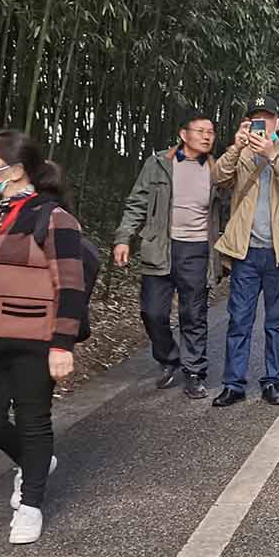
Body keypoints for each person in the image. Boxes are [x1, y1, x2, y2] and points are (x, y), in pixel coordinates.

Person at [0, 130, 88, 545]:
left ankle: (31, 504)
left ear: (14, 171)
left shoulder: (53, 218)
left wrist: (62, 345)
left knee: (34, 420)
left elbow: (70, 285)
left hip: (36, 337)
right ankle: (34, 462)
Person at [112, 110, 224, 401]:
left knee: (193, 314)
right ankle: (169, 358)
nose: (206, 136)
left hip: (198, 248)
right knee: (153, 311)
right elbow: (137, 202)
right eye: (199, 131)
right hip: (159, 246)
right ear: (183, 134)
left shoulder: (217, 168)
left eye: (210, 132)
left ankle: (194, 372)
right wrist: (124, 238)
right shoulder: (159, 163)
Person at [211, 98, 279, 409]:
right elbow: (217, 178)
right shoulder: (240, 155)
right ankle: (233, 384)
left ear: (277, 123)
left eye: (267, 120)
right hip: (246, 251)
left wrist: (272, 157)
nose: (261, 126)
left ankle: (272, 381)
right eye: (256, 120)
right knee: (239, 320)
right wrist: (235, 146)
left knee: (277, 321)